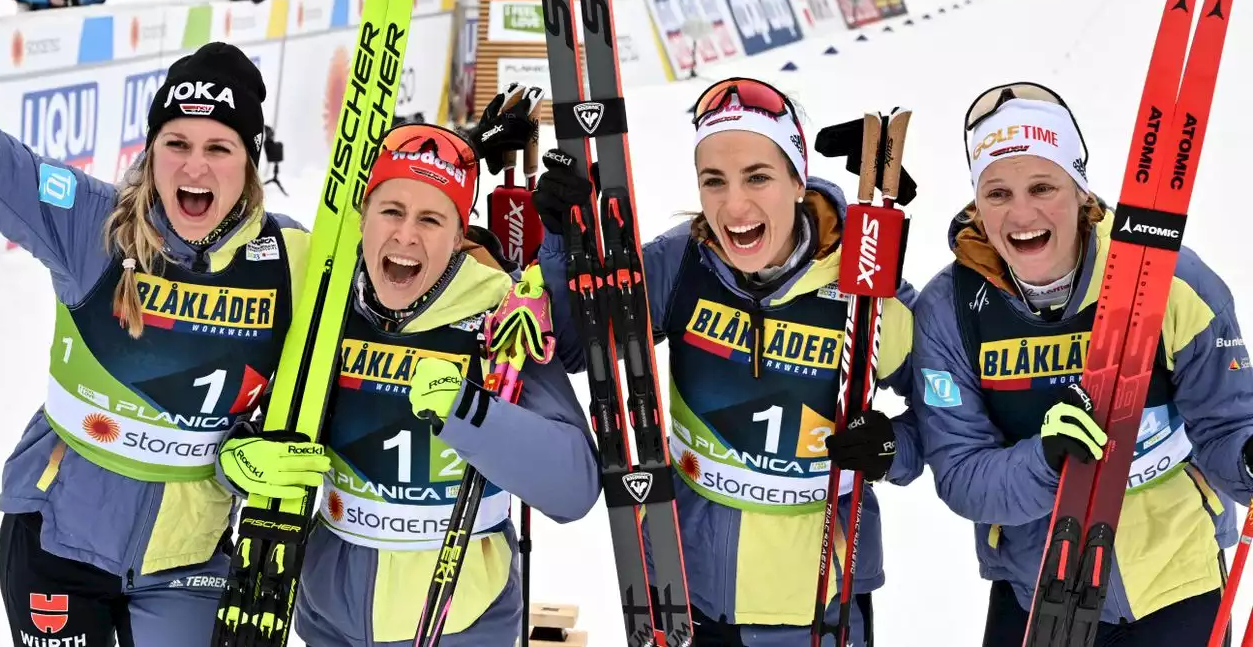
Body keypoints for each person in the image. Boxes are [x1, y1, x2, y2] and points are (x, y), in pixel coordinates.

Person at [532, 77, 925, 646]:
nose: (734, 205)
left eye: (758, 177)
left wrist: (892, 447)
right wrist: (563, 240)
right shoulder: (681, 263)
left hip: (818, 603)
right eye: (713, 181)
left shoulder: (862, 287)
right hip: (685, 592)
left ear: (797, 178)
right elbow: (579, 346)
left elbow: (940, 409)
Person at [217, 123, 602, 647]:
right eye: (391, 212)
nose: (406, 236)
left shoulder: (498, 312)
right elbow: (256, 411)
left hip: (459, 622)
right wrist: (239, 459)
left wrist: (471, 412)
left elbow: (573, 487)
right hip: (328, 616)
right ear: (363, 218)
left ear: (459, 233)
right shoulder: (326, 301)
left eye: (431, 219)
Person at [0, 42, 309, 647]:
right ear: (151, 151)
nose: (193, 168)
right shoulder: (91, 223)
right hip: (56, 537)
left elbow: (395, 296)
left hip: (188, 559)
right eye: (176, 144)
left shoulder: (294, 260)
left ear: (250, 161)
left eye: (218, 148)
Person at [911, 82, 1253, 646]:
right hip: (1035, 588)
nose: (1021, 213)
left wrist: (1248, 459)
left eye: (1042, 186)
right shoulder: (949, 311)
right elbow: (961, 476)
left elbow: (1225, 428)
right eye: (996, 193)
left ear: (1078, 188)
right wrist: (1047, 463)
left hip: (1179, 583)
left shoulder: (1170, 280)